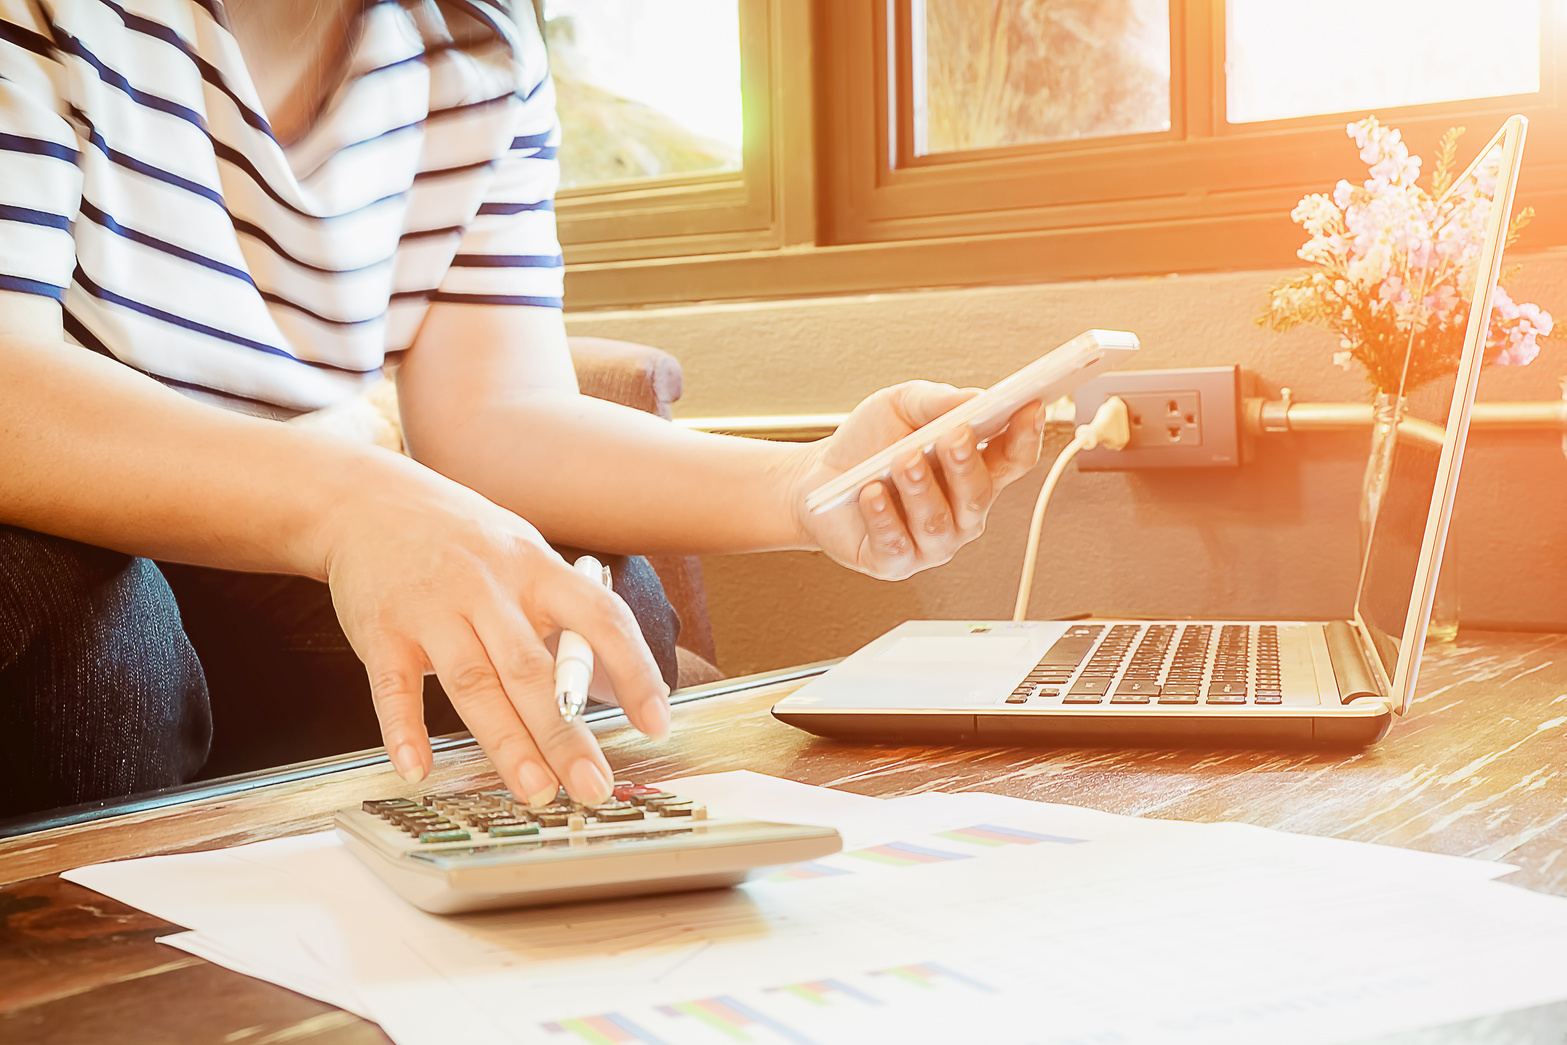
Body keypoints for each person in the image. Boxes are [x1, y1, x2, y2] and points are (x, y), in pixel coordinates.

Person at [0, 0, 1047, 818]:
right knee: (100, 654)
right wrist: (357, 502)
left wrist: (805, 483)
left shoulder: (477, 41)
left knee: (587, 613)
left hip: (274, 551)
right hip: (71, 517)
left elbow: (495, 413)